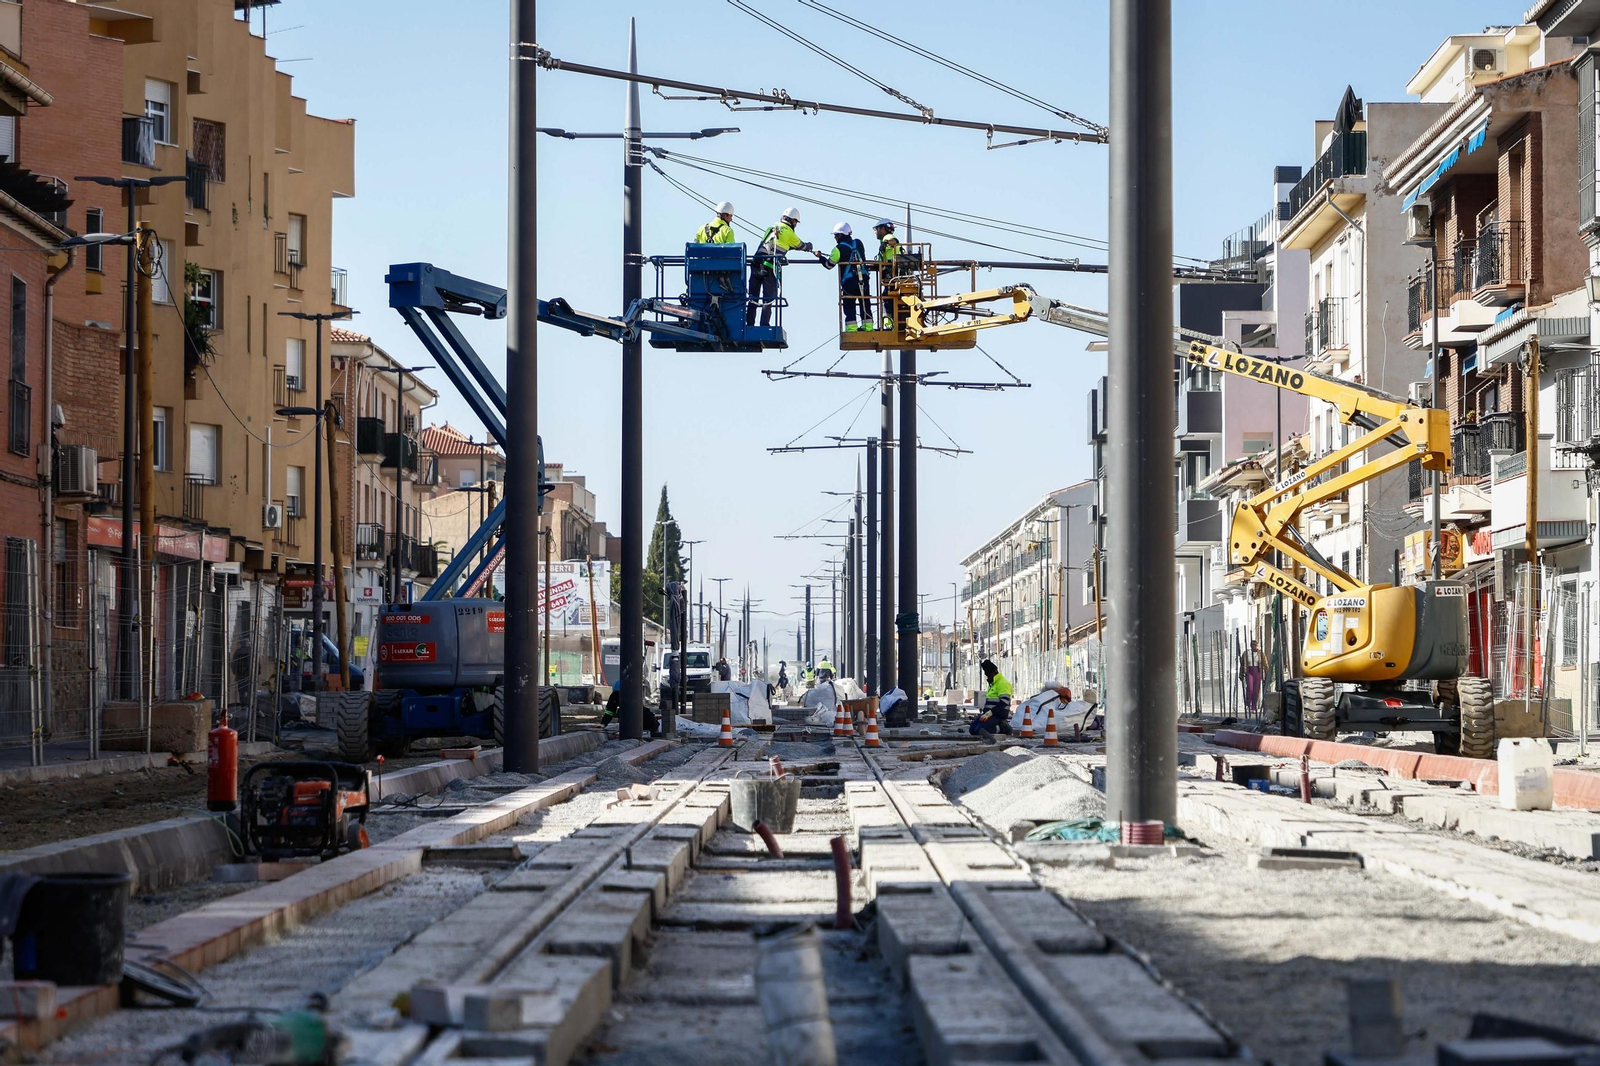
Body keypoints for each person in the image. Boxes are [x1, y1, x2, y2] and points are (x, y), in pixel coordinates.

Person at [747, 206, 814, 328]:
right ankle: (764, 326)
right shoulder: (789, 233)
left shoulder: (771, 228)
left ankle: (749, 324)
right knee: (769, 299)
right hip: (770, 268)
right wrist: (811, 246)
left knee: (752, 299)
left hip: (756, 265)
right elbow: (803, 246)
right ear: (793, 221)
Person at [821, 222, 870, 331]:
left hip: (849, 282)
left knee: (849, 305)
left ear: (840, 235)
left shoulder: (838, 249)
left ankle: (852, 329)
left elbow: (829, 265)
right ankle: (868, 327)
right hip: (864, 279)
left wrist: (820, 257)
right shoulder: (858, 243)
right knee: (865, 303)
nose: (835, 238)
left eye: (835, 236)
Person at [968, 659, 1014, 736]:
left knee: (981, 731)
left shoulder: (1003, 683)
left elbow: (1004, 702)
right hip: (988, 713)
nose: (988, 677)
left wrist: (992, 712)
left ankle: (1003, 728)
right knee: (972, 730)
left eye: (989, 675)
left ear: (994, 672)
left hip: (998, 714)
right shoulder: (993, 683)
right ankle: (994, 725)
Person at [872, 218, 902, 328]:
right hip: (892, 275)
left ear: (883, 229)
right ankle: (892, 324)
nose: (876, 232)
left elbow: (894, 241)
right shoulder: (884, 239)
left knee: (888, 299)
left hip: (891, 275)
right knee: (888, 298)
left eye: (878, 229)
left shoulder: (888, 237)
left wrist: (886, 243)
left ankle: (890, 325)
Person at [1243, 640, 1265, 713]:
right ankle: (1248, 704)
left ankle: (1254, 706)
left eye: (1255, 644)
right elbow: (1242, 663)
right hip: (1249, 671)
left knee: (1256, 690)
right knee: (1250, 688)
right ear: (1250, 645)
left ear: (1257, 645)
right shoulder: (1246, 653)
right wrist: (1242, 673)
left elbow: (1265, 663)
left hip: (1257, 671)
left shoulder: (1260, 653)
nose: (1254, 646)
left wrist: (1266, 672)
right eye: (1252, 644)